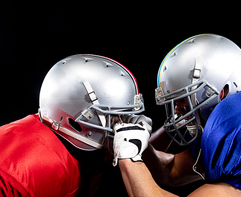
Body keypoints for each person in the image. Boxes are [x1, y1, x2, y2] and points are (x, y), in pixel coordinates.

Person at [113, 34, 241, 196]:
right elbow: (171, 171)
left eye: (183, 100)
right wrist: (136, 141)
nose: (177, 110)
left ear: (222, 92)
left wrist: (129, 159)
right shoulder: (231, 120)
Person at [0, 54, 152, 197]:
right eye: (111, 115)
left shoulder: (90, 147)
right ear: (75, 114)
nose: (120, 122)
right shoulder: (16, 174)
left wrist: (143, 146)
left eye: (122, 114)